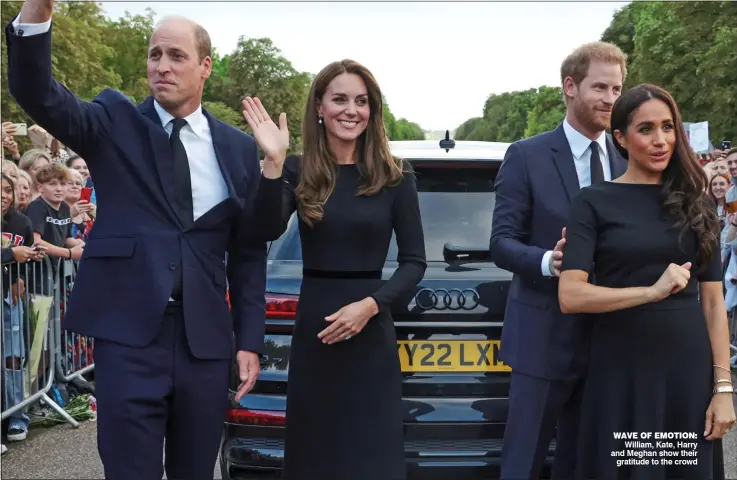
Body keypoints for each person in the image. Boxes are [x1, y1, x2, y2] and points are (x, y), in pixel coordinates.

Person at [5, 2, 283, 478]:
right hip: (129, 339)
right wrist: (38, 9)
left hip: (206, 344)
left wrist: (249, 341)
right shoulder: (113, 122)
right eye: (155, 55)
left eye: (176, 55)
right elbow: (38, 91)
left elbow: (249, 250)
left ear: (205, 68)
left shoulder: (236, 147)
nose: (162, 66)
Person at [241, 59, 427, 480]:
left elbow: (415, 261)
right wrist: (272, 161)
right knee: (316, 452)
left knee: (370, 452)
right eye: (340, 99)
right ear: (320, 107)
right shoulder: (297, 169)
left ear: (372, 110)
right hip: (316, 331)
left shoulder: (396, 176)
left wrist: (371, 306)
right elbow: (262, 229)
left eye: (361, 101)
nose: (351, 110)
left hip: (371, 330)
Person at [558, 83, 735, 479]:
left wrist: (723, 390)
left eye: (668, 127)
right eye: (646, 129)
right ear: (619, 137)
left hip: (685, 375)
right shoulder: (593, 202)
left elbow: (712, 303)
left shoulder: (698, 202)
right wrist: (650, 292)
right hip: (619, 371)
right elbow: (570, 295)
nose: (660, 140)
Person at [489, 41, 629, 479]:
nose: (611, 100)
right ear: (570, 86)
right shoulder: (526, 155)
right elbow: (501, 242)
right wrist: (552, 261)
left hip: (613, 343)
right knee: (524, 462)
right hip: (542, 339)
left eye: (618, 89)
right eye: (600, 87)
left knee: (590, 464)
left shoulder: (630, 157)